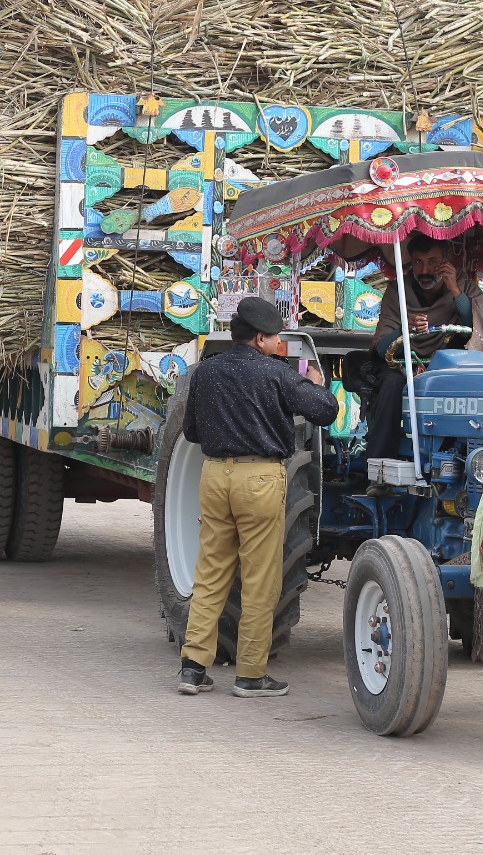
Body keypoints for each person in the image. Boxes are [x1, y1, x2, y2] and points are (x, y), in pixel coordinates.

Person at [176, 296, 339, 698]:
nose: (280, 344)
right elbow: (325, 413)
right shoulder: (277, 375)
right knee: (261, 579)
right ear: (261, 338)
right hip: (260, 480)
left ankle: (193, 668)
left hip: (214, 476)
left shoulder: (206, 372)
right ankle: (251, 674)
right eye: (277, 338)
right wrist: (320, 385)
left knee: (211, 574)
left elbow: (193, 432)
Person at [363, 234, 483, 480]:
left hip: (448, 365)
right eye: (418, 262)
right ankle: (378, 465)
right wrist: (405, 328)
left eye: (432, 262)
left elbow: (480, 331)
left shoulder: (466, 287)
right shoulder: (399, 290)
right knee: (392, 384)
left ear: (446, 262)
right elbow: (382, 344)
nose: (425, 270)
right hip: (403, 363)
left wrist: (454, 290)